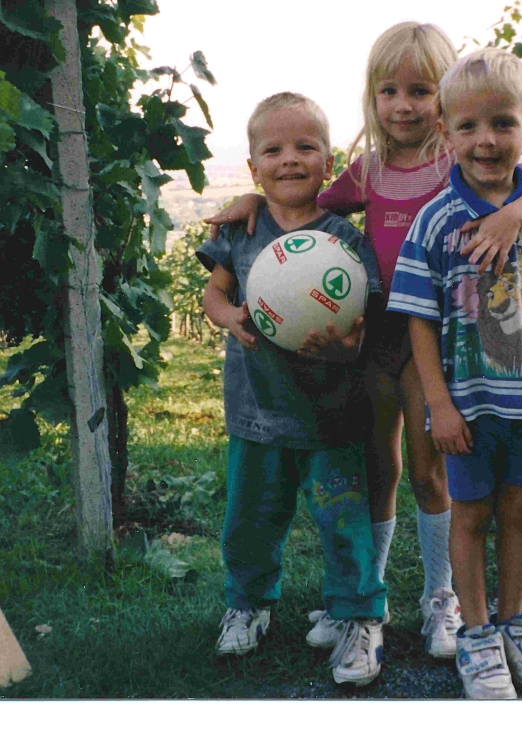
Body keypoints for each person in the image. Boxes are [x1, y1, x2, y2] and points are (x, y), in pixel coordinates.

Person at [205, 23, 522, 660]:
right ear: (373, 98)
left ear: (446, 99)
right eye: (389, 90)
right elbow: (301, 193)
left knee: (433, 472)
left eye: (421, 90)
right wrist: (247, 195)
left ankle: (442, 602)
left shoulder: (462, 155)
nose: (403, 105)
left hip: (442, 342)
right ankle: (361, 600)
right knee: (377, 466)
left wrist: (512, 214)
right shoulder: (369, 170)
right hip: (374, 337)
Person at [387, 47, 522, 699]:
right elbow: (418, 319)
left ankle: (515, 624)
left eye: (502, 123)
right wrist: (438, 406)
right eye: (468, 127)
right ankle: (476, 637)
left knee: (521, 511)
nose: (486, 140)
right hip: (467, 408)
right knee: (469, 516)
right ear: (446, 134)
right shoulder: (437, 223)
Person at [197, 92, 387, 687]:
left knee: (343, 522)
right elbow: (214, 296)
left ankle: (358, 618)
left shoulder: (346, 241)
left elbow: (368, 324)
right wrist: (228, 318)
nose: (289, 159)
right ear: (253, 168)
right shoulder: (242, 231)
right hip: (256, 412)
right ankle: (249, 605)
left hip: (331, 415)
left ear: (328, 163)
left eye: (306, 147)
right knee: (250, 520)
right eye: (273, 149)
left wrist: (347, 349)